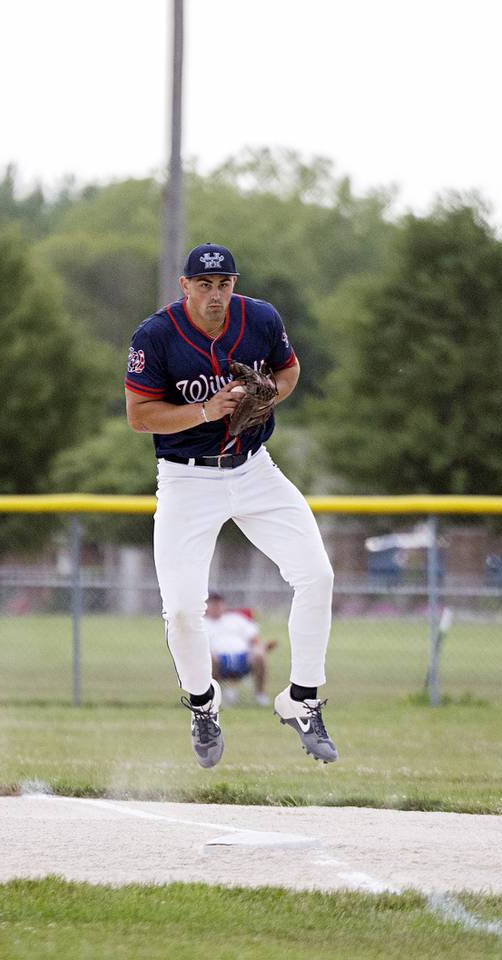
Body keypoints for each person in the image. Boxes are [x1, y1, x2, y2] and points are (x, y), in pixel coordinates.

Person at [124, 242, 338, 767]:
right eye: (204, 284)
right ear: (185, 286)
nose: (215, 294)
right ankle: (203, 705)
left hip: (253, 468)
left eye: (223, 284)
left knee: (317, 575)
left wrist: (267, 394)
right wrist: (204, 410)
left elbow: (289, 371)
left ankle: (302, 700)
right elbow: (139, 416)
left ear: (233, 285)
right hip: (186, 479)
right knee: (180, 608)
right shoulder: (156, 336)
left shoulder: (260, 318)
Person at [205, 593, 277, 707]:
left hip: (243, 658)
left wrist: (261, 648)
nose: (216, 606)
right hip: (217, 659)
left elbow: (254, 640)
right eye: (213, 604)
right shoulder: (202, 624)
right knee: (208, 658)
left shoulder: (236, 619)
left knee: (259, 655)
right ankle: (212, 695)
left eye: (219, 603)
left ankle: (260, 694)